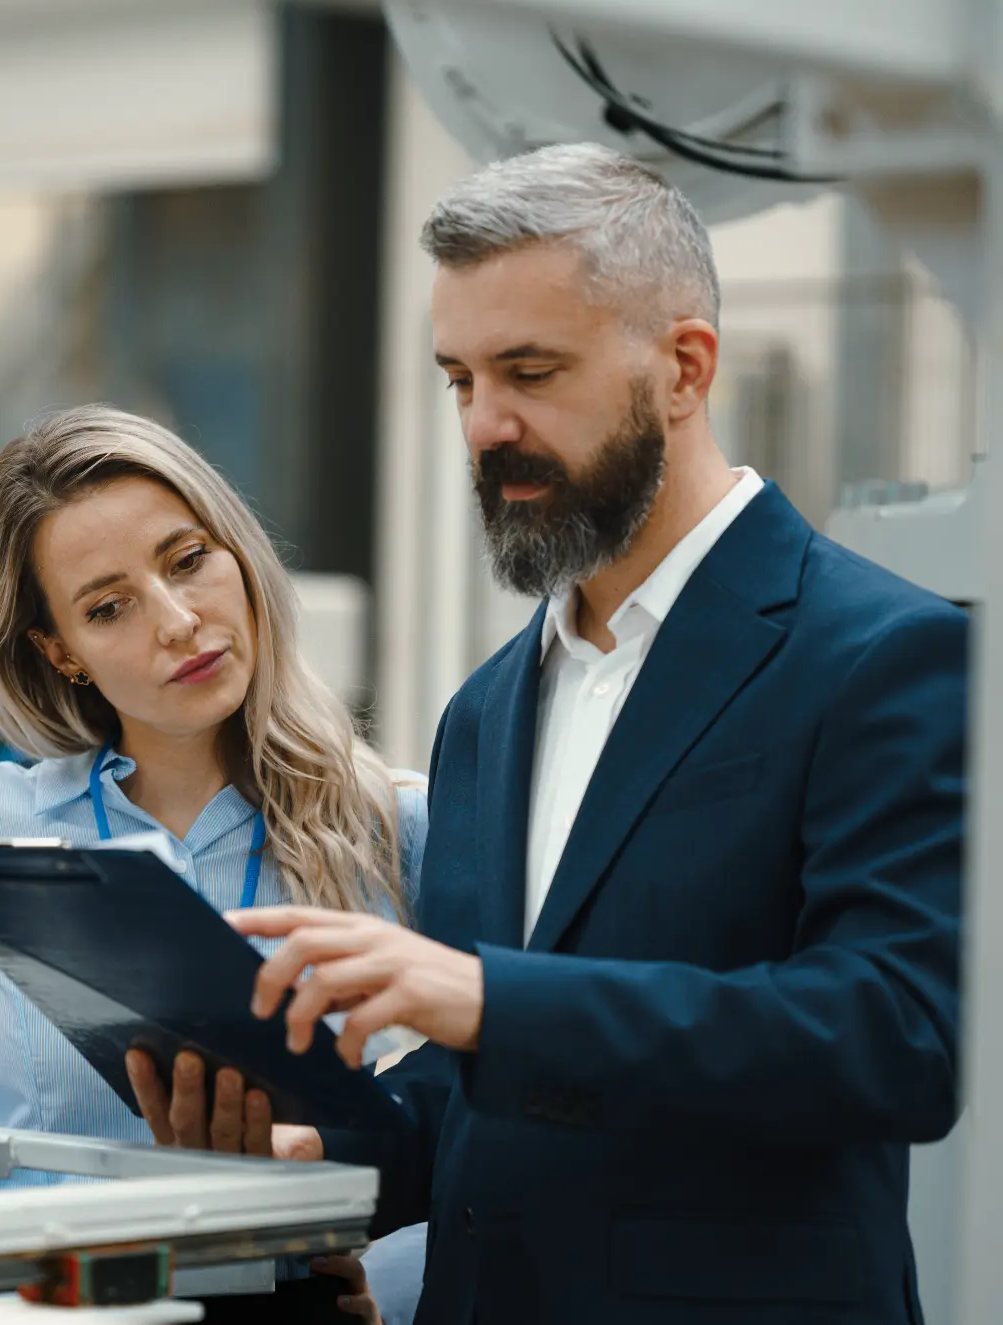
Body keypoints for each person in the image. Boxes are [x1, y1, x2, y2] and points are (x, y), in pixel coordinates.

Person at [145, 142, 968, 1325]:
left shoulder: (877, 653)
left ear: (682, 369)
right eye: (458, 380)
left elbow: (893, 1033)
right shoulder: (486, 708)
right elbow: (478, 1094)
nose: (484, 425)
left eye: (528, 371)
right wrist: (301, 1157)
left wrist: (486, 998)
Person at [0, 403, 429, 1323]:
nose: (178, 622)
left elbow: (475, 1137)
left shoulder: (391, 826)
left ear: (238, 555)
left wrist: (390, 1289)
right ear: (61, 651)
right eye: (108, 607)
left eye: (188, 560)